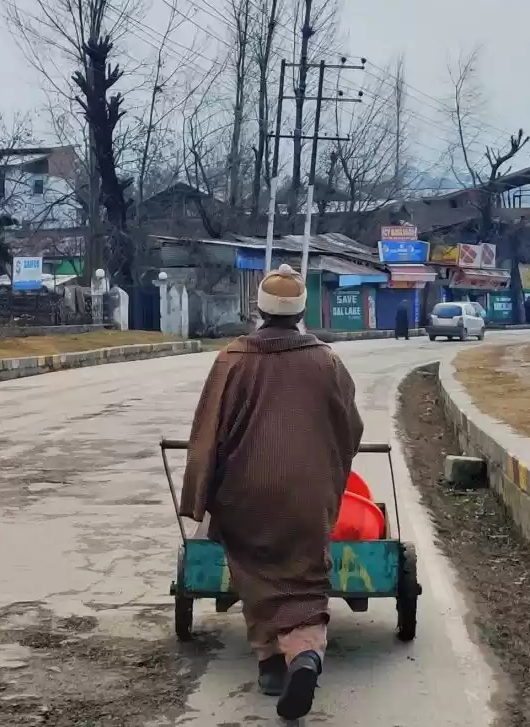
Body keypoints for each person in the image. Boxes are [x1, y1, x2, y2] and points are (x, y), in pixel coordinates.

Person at [179, 264, 364, 720]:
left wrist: (200, 496)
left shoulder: (231, 359)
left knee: (253, 566)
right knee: (304, 572)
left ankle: (269, 665)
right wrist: (327, 475)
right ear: (300, 312)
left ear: (259, 309)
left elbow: (207, 434)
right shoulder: (327, 361)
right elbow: (350, 428)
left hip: (246, 496)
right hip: (307, 495)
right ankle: (305, 654)